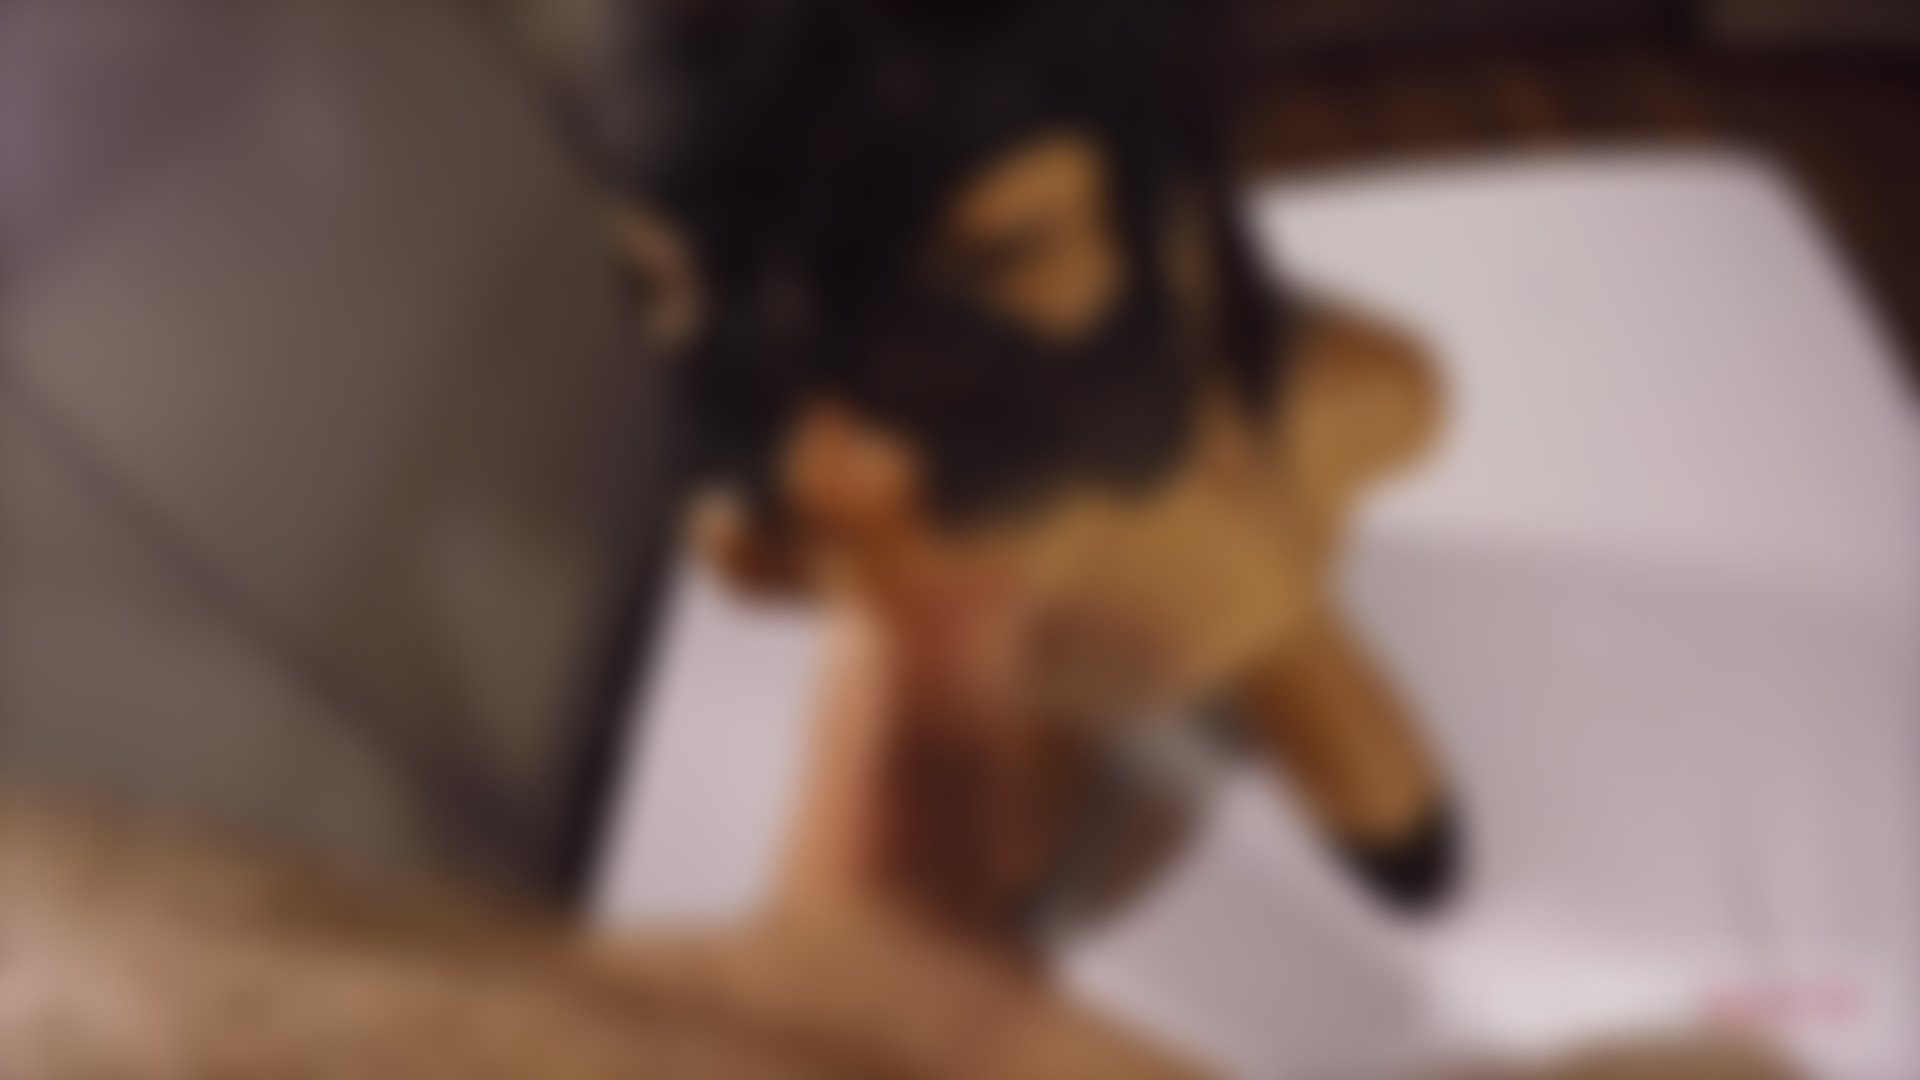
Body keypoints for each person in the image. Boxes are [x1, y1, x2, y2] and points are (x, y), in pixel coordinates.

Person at [609, 0, 1457, 954]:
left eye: (993, 257)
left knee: (1298, 667)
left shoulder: (1238, 415)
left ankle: (1334, 756)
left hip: (1231, 610)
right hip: (1028, 675)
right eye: (668, 289)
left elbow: (1395, 397)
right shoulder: (863, 489)